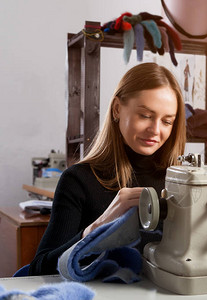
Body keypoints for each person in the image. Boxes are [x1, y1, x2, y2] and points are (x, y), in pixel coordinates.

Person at [29, 63, 186, 275]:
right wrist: (101, 226)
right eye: (145, 116)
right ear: (117, 109)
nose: (155, 130)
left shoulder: (183, 185)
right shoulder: (78, 180)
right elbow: (39, 270)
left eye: (167, 121)